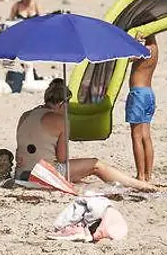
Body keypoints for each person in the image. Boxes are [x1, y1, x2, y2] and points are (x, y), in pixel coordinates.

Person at [14, 79, 156, 190]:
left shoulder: (25, 115)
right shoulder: (61, 120)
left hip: (22, 174)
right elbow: (62, 158)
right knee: (96, 165)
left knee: (81, 177)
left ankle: (136, 184)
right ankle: (139, 185)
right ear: (62, 104)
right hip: (45, 175)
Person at [127, 34, 160, 183]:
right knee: (146, 135)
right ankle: (148, 175)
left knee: (136, 136)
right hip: (149, 93)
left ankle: (140, 175)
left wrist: (134, 40)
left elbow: (128, 56)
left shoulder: (144, 49)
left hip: (139, 94)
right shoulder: (155, 49)